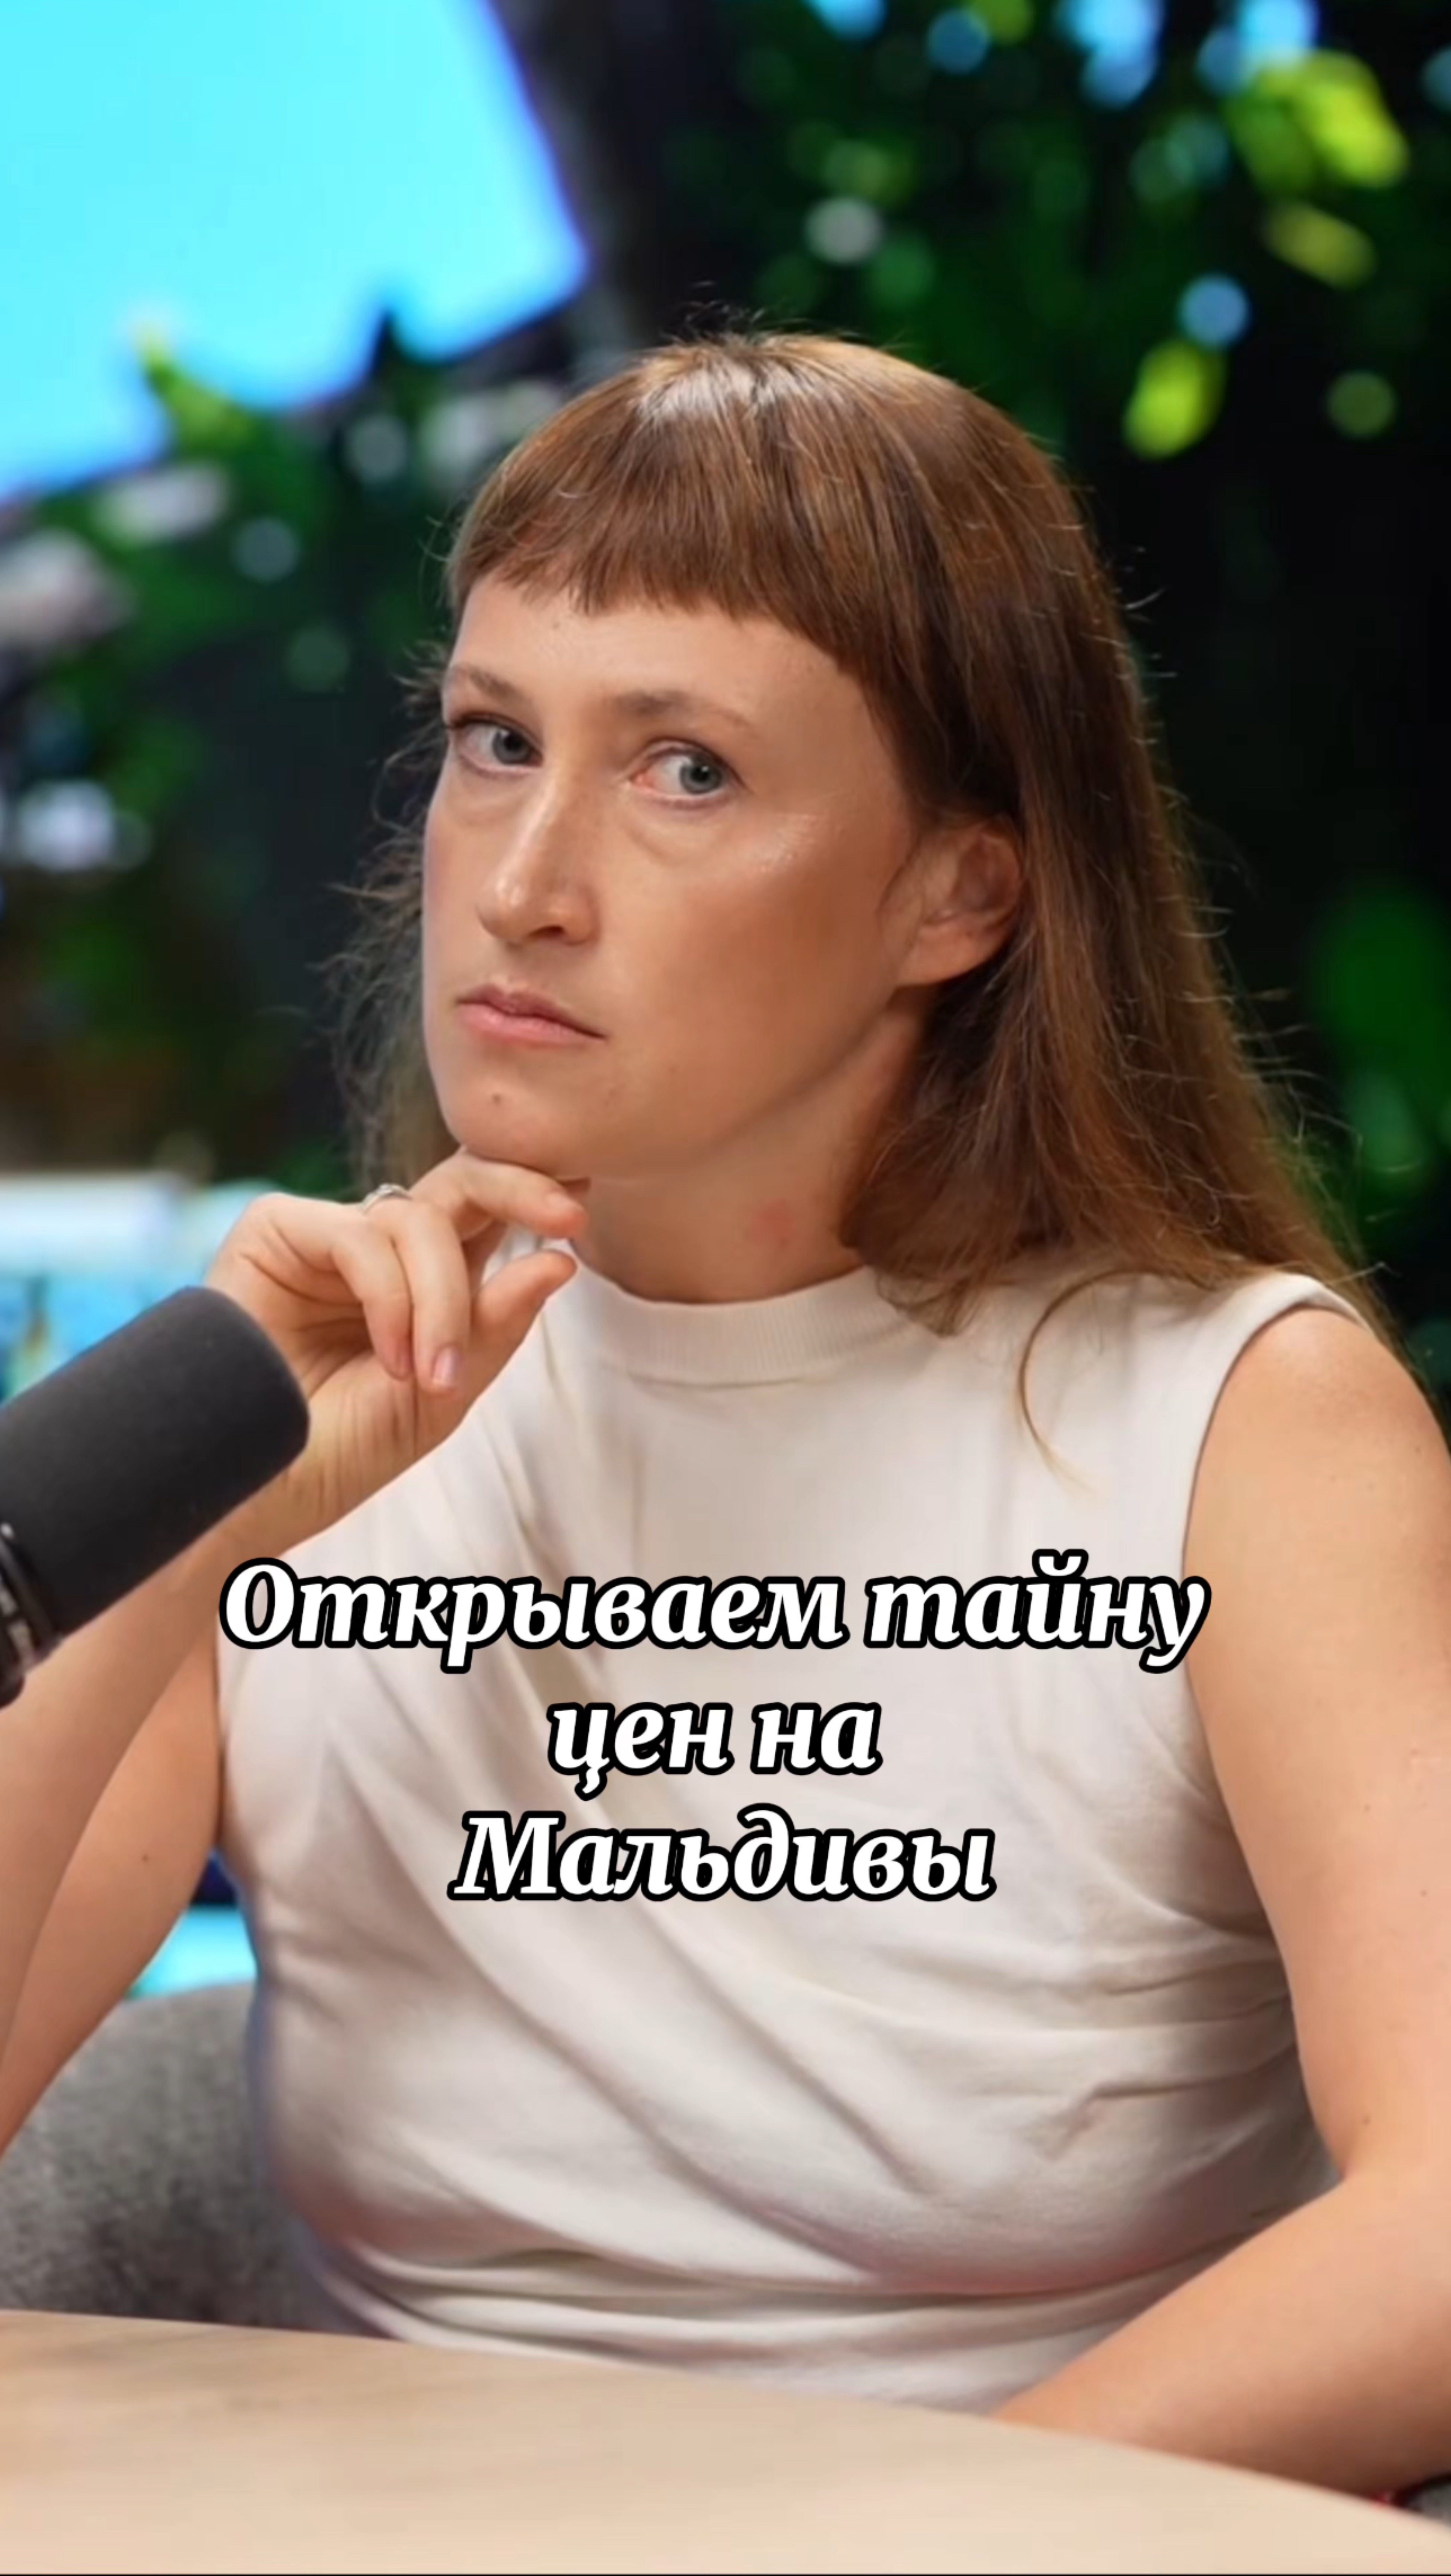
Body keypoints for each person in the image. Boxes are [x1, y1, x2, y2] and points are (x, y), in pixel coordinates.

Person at [2, 328, 1449, 2506]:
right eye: (496, 742)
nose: (525, 879)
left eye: (684, 771)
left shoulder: (1241, 1427)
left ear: (959, 893)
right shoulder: (306, 1400)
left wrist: (856, 2550)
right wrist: (196, 1511)